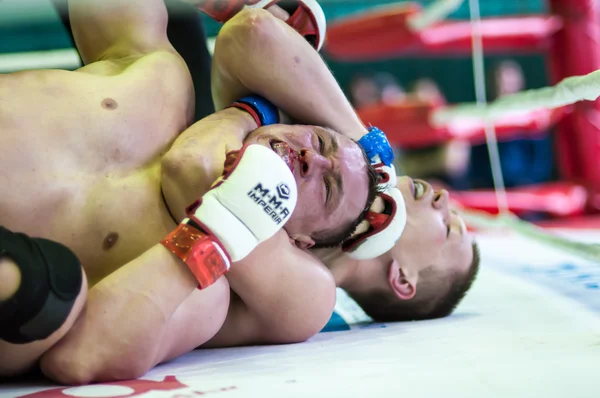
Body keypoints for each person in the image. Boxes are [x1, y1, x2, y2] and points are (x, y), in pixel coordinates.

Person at [1, 1, 479, 385]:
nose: (444, 200)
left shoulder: (291, 294)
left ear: (403, 279)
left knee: (49, 287)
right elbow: (251, 32)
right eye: (323, 141)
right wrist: (371, 154)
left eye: (452, 228)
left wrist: (258, 119)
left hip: (68, 276)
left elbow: (195, 168)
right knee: (161, 77)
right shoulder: (163, 88)